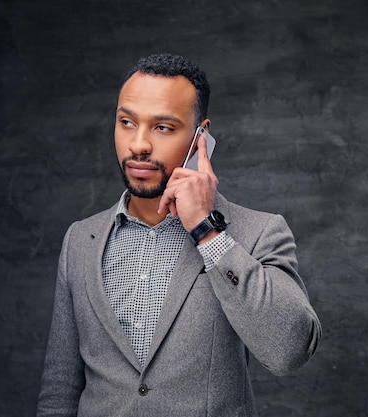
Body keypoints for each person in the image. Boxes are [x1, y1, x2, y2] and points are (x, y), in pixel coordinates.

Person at [36, 53, 321, 417]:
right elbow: (60, 387)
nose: (138, 144)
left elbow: (290, 351)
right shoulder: (80, 239)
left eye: (163, 128)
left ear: (201, 135)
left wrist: (208, 232)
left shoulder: (256, 232)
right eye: (127, 122)